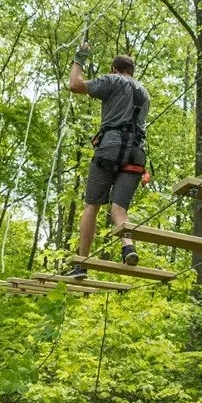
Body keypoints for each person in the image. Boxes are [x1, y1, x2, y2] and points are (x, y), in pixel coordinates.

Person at [63, 42, 150, 279]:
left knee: (92, 205)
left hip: (110, 146)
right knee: (119, 209)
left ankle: (82, 265)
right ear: (132, 71)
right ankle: (128, 247)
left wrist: (80, 58)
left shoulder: (113, 80)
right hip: (136, 153)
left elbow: (74, 85)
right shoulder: (144, 92)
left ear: (114, 69)